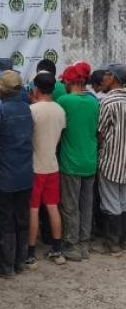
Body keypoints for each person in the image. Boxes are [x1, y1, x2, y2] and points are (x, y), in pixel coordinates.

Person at [0, 70, 34, 276]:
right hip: (25, 175)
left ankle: (6, 266)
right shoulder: (27, 109)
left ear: (4, 90)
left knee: (5, 220)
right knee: (21, 218)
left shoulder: (1, 111)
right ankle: (20, 262)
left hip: (4, 176)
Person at [57, 62, 99, 261]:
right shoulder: (94, 102)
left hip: (71, 162)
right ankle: (85, 242)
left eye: (65, 80)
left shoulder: (65, 101)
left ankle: (72, 244)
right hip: (90, 160)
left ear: (71, 82)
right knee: (87, 204)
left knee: (70, 205)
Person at [27, 72, 67, 267]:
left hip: (35, 166)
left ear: (36, 88)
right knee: (52, 206)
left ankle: (30, 254)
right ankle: (57, 250)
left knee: (33, 209)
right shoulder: (60, 110)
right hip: (52, 164)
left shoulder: (32, 110)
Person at [96, 64, 126, 256]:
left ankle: (113, 243)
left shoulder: (108, 102)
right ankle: (121, 240)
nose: (104, 78)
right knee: (123, 200)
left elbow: (100, 132)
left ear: (113, 78)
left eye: (106, 75)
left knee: (110, 201)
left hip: (111, 160)